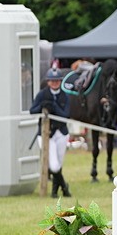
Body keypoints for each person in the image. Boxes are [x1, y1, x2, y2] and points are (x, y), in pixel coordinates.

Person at [30, 68, 71, 197]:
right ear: (48, 82)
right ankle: (64, 187)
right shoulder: (42, 94)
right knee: (53, 166)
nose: (54, 83)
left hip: (61, 133)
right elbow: (32, 110)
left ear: (60, 82)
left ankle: (55, 191)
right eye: (52, 81)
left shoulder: (65, 96)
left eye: (57, 81)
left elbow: (66, 115)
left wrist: (54, 106)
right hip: (45, 134)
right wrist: (42, 106)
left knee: (59, 163)